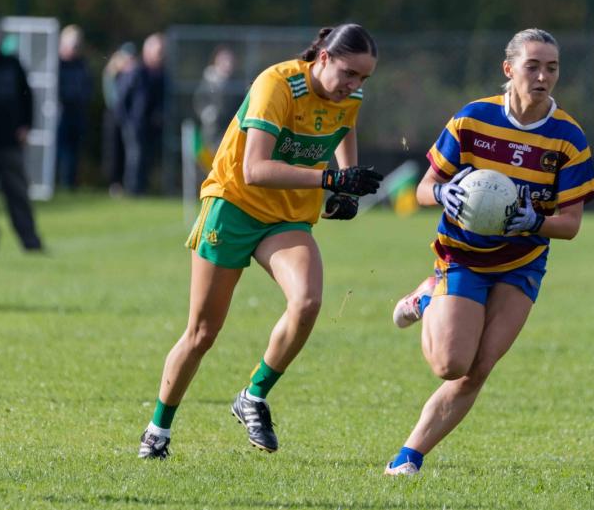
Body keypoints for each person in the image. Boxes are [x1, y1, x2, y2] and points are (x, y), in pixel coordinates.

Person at [138, 23, 383, 459]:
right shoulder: (276, 84)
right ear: (322, 57)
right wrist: (331, 177)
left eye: (363, 78)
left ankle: (253, 396)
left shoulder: (350, 97)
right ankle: (158, 431)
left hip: (287, 217)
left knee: (307, 302)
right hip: (233, 206)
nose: (354, 85)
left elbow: (346, 129)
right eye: (349, 73)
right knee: (202, 333)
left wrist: (345, 189)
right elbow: (255, 169)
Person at [384, 28, 594, 476]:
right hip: (462, 255)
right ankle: (428, 296)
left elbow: (573, 224)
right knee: (450, 364)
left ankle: (409, 456)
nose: (543, 76)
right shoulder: (472, 119)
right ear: (509, 69)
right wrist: (444, 193)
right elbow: (423, 189)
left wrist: (534, 222)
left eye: (552, 67)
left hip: (521, 263)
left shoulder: (568, 138)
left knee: (478, 368)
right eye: (533, 66)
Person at [0, 11, 43, 252]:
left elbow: (28, 98)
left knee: (18, 195)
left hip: (8, 142)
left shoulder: (11, 64)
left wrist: (26, 125)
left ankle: (30, 241)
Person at [116, 33, 166, 195]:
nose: (161, 55)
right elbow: (123, 98)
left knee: (146, 158)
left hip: (151, 126)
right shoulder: (137, 72)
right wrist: (127, 121)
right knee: (135, 158)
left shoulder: (162, 75)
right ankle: (133, 190)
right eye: (158, 51)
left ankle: (141, 189)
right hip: (135, 124)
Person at [56, 24, 92, 190]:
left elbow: (86, 88)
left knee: (72, 153)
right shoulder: (54, 65)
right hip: (58, 114)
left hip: (76, 114)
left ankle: (67, 186)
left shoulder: (82, 64)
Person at [101, 42, 136, 196]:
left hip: (126, 117)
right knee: (113, 151)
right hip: (114, 116)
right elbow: (113, 98)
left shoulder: (130, 73)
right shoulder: (112, 73)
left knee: (125, 151)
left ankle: (123, 183)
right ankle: (114, 183)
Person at [193, 45, 240, 153]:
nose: (228, 64)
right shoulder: (208, 80)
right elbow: (200, 99)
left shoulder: (236, 83)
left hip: (229, 128)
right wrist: (207, 113)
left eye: (230, 61)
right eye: (224, 60)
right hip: (211, 129)